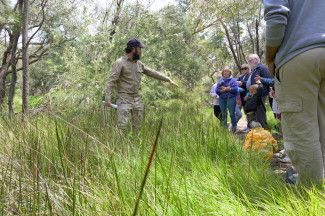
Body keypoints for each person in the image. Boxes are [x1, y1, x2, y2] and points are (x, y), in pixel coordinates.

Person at [264, 0, 325, 185]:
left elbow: (276, 16)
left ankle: (310, 196)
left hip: (299, 55)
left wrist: (269, 57)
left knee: (301, 131)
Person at [104, 38, 177, 131]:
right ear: (134, 49)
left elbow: (152, 72)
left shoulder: (139, 64)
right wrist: (107, 99)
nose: (141, 51)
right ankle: (119, 145)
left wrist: (168, 79)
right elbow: (111, 82)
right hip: (124, 99)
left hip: (136, 99)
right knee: (122, 127)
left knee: (137, 128)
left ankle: (134, 144)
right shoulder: (120, 63)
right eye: (140, 49)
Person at [216, 67, 239, 132]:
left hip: (231, 98)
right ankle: (224, 128)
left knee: (232, 113)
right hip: (222, 99)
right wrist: (223, 90)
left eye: (227, 71)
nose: (226, 73)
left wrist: (228, 89)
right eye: (224, 71)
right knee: (223, 113)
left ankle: (234, 128)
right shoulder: (220, 80)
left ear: (230, 73)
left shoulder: (233, 80)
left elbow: (236, 90)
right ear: (222, 73)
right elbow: (217, 90)